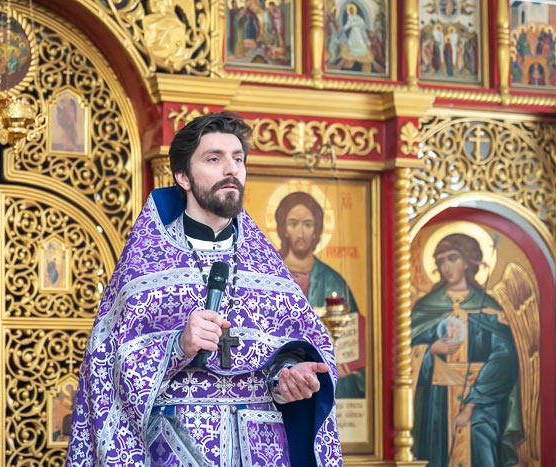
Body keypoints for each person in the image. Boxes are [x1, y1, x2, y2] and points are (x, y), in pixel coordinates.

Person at [66, 112, 342, 466]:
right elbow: (108, 367)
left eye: (238, 159)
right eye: (214, 159)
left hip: (263, 448)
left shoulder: (267, 266)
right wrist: (177, 346)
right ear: (183, 176)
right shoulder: (146, 263)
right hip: (176, 446)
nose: (231, 169)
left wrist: (288, 378)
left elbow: (295, 347)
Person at [411, 233, 523, 467]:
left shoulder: (489, 307)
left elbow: (504, 360)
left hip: (482, 405)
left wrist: (472, 403)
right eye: (441, 261)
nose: (446, 267)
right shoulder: (426, 307)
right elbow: (404, 355)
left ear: (468, 261)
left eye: (452, 258)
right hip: (438, 401)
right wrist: (430, 350)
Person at [274, 191, 365, 398]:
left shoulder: (333, 281)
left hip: (320, 379)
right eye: (293, 223)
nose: (300, 232)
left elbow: (354, 340)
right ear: (283, 228)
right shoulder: (268, 272)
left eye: (308, 224)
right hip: (277, 379)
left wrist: (344, 364)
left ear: (317, 230)